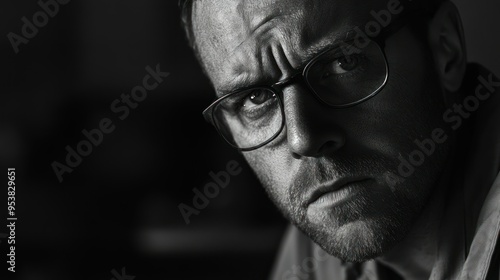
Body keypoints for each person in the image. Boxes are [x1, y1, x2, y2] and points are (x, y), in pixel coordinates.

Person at [179, 0, 500, 278]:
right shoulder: (324, 224)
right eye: (255, 98)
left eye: (343, 62)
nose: (304, 139)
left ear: (446, 50)